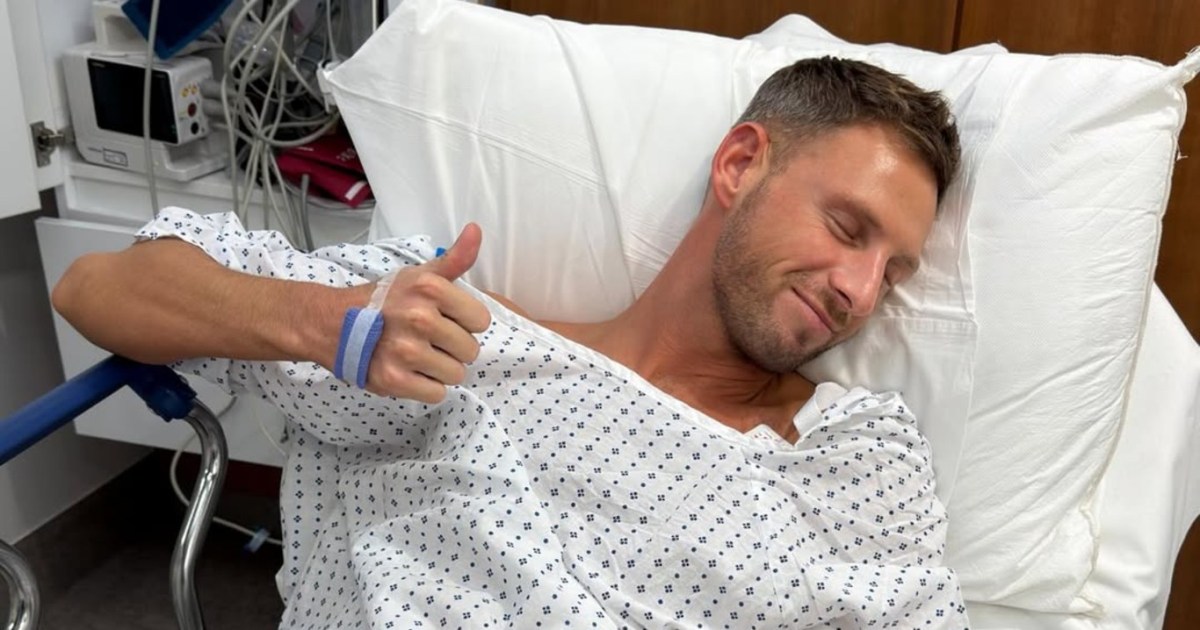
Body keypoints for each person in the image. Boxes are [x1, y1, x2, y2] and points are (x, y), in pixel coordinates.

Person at [53, 57, 967, 628]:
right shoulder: (443, 330)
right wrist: (331, 326)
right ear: (740, 166)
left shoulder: (855, 455)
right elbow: (98, 287)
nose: (859, 291)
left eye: (893, 275)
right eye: (848, 229)